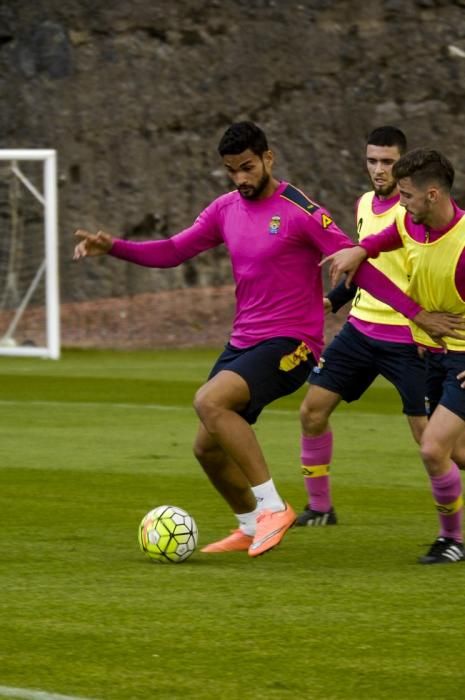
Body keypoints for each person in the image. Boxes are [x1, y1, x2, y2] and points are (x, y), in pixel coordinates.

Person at [73, 123, 463, 559]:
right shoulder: (224, 209)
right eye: (231, 170)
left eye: (247, 167)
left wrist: (417, 314)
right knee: (206, 447)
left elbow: (359, 268)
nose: (240, 178)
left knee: (209, 401)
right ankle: (248, 523)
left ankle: (273, 508)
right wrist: (116, 247)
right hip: (243, 341)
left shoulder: (301, 210)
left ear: (268, 159)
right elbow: (173, 250)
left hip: (292, 342)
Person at [321, 147, 465, 564]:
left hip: (461, 362)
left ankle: (452, 539)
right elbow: (388, 237)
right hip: (432, 357)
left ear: (433, 195)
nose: (399, 204)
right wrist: (361, 250)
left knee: (433, 449)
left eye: (406, 195)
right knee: (456, 453)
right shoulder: (410, 223)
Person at [296, 126, 429, 528]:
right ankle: (320, 508)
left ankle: (452, 531)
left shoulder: (418, 214)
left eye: (387, 162)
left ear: (403, 164)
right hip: (360, 331)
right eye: (372, 160)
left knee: (432, 442)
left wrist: (428, 330)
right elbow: (362, 267)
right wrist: (331, 301)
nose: (378, 169)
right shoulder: (364, 204)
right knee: (312, 411)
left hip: (409, 339)